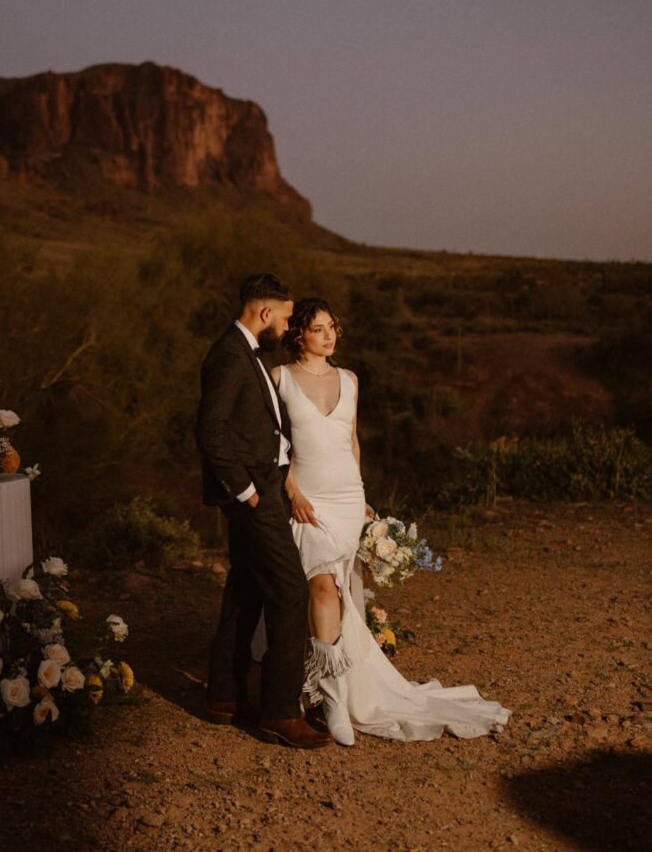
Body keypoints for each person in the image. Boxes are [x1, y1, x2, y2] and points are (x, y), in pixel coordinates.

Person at [271, 297, 511, 745]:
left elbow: (353, 441)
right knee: (321, 586)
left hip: (347, 499)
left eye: (332, 327)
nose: (329, 335)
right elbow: (272, 444)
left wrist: (362, 498)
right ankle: (334, 698)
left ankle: (330, 690)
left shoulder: (350, 379)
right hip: (308, 501)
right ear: (298, 334)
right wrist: (291, 491)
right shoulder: (280, 378)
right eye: (319, 328)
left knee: (339, 593)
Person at [195, 274, 332, 749]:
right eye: (288, 317)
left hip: (267, 487)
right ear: (266, 313)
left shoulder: (245, 353)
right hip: (255, 494)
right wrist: (247, 492)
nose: (290, 325)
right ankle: (279, 712)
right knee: (291, 591)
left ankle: (224, 697)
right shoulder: (230, 356)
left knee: (246, 589)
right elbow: (211, 432)